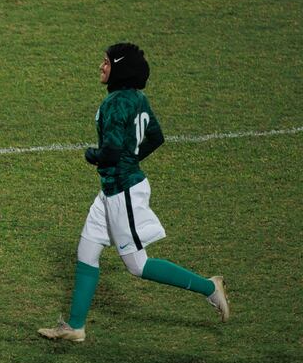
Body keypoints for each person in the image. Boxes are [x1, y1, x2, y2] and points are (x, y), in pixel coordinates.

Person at [39, 43, 229, 342]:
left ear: (121, 68)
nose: (101, 67)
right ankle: (74, 327)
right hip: (112, 189)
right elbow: (155, 136)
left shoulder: (114, 103)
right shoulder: (138, 98)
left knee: (137, 265)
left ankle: (209, 287)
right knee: (87, 251)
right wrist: (128, 158)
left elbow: (112, 151)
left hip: (123, 192)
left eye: (106, 62)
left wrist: (94, 155)